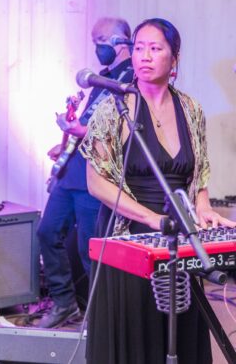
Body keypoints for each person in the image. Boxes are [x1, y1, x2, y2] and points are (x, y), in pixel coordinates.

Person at [80, 18, 236, 364]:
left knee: (179, 334)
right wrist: (153, 219)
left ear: (174, 58)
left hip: (179, 237)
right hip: (129, 238)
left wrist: (204, 206)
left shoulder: (191, 109)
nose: (144, 56)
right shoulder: (112, 109)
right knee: (137, 339)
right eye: (138, 48)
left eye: (155, 48)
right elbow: (96, 183)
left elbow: (199, 173)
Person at [37, 17, 133, 328]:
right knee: (47, 232)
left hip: (96, 175)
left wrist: (81, 129)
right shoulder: (99, 79)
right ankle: (65, 304)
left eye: (101, 39)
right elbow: (90, 123)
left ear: (121, 41)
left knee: (90, 248)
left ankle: (101, 317)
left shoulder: (129, 81)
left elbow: (121, 129)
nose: (97, 47)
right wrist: (66, 138)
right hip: (72, 171)